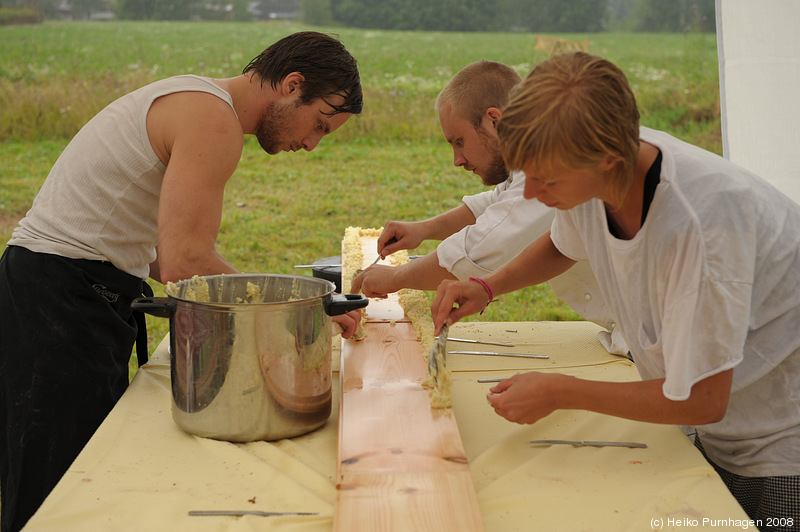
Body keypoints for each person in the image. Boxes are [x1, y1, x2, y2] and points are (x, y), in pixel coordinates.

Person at [0, 31, 364, 532]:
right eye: (319, 123)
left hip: (68, 288)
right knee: (52, 489)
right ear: (291, 84)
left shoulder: (198, 100)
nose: (311, 143)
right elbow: (184, 260)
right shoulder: (213, 121)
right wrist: (302, 309)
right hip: (57, 298)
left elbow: (152, 250)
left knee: (78, 474)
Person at [430, 52, 800, 528]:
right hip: (717, 423)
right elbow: (564, 241)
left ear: (608, 158)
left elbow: (704, 398)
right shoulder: (594, 165)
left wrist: (563, 391)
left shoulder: (703, 226)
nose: (533, 194)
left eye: (546, 180)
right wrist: (487, 285)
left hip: (779, 441)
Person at [351, 61, 623, 352]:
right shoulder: (541, 153)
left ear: (495, 121)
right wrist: (425, 229)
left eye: (459, 141)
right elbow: (497, 205)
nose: (457, 159)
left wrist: (395, 278)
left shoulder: (554, 166)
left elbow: (477, 251)